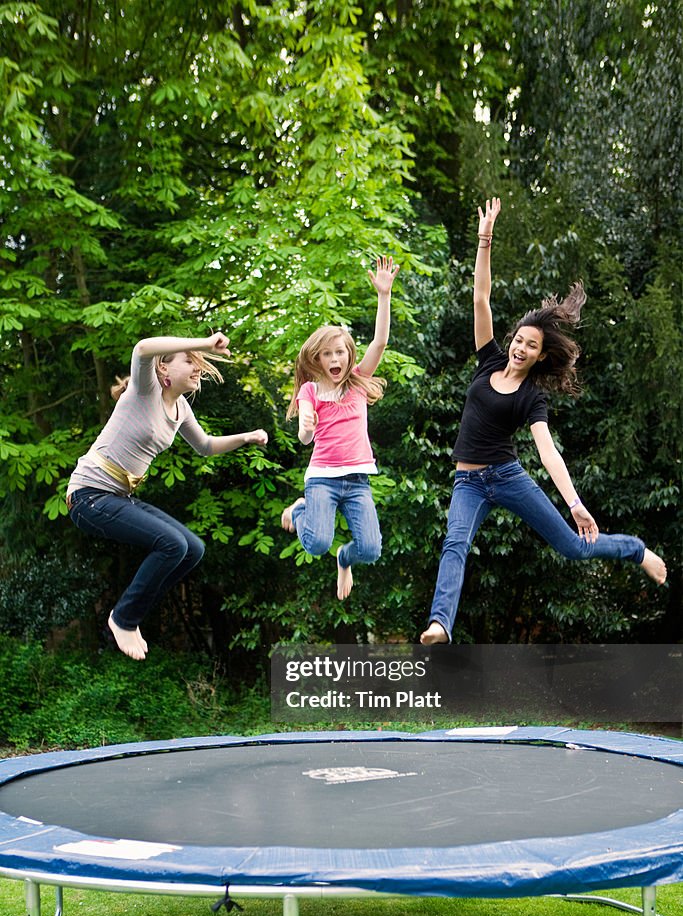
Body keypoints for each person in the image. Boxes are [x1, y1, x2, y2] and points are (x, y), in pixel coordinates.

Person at [421, 197, 666, 645]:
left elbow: (546, 450)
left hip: (508, 477)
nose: (519, 348)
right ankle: (440, 625)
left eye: (530, 346)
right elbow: (480, 296)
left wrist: (574, 503)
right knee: (454, 544)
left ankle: (634, 550)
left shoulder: (532, 397)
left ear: (540, 355)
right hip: (468, 483)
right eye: (518, 339)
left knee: (572, 547)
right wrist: (485, 238)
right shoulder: (487, 360)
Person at [66, 331, 268, 660]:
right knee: (172, 544)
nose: (197, 368)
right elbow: (142, 348)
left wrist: (246, 437)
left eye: (198, 363)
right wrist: (201, 343)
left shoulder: (181, 408)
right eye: (189, 361)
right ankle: (123, 619)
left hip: (117, 498)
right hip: (88, 497)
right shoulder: (144, 390)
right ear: (163, 370)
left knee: (193, 549)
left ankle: (131, 616)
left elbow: (205, 446)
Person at [281, 256, 400, 600]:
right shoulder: (311, 391)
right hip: (322, 479)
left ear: (349, 355)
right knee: (316, 544)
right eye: (327, 355)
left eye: (340, 353)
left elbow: (379, 342)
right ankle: (301, 509)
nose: (335, 360)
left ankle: (343, 559)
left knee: (372, 549)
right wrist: (307, 423)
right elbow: (305, 438)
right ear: (316, 360)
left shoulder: (359, 382)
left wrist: (384, 296)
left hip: (358, 480)